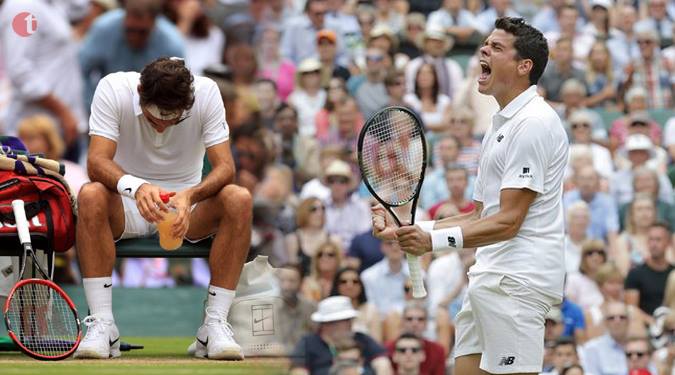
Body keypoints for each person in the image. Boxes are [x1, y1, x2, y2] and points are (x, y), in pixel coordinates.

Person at [373, 17, 569, 374]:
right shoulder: (500, 123)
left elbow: (509, 222)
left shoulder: (534, 123)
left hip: (518, 284)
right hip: (489, 278)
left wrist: (431, 242)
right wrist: (410, 226)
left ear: (524, 66)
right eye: (486, 44)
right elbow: (479, 215)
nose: (484, 50)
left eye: (496, 47)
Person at [74, 57, 252, 360]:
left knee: (239, 198)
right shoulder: (113, 88)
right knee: (90, 195)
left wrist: (190, 196)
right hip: (127, 205)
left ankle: (214, 326)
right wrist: (137, 187)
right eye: (155, 120)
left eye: (173, 120)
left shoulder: (207, 92)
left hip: (184, 210)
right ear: (141, 91)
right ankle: (103, 325)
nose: (163, 127)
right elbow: (96, 162)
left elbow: (226, 168)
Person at [79, 0, 184, 110]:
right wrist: (94, 105)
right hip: (110, 104)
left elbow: (178, 89)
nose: (134, 37)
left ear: (154, 22)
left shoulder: (171, 43)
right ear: (124, 18)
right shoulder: (103, 30)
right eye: (130, 30)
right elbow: (81, 70)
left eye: (142, 32)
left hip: (153, 110)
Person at [289, 296, 393, 375]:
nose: (350, 324)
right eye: (346, 320)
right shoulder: (308, 343)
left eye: (350, 320)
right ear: (328, 324)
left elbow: (382, 363)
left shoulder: (362, 339)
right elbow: (298, 370)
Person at [625, 223, 675, 316]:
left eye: (658, 239)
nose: (654, 244)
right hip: (644, 327)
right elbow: (631, 309)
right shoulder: (635, 273)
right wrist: (654, 323)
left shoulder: (673, 273)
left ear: (668, 242)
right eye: (651, 239)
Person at [384, 302, 447, 375]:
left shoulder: (438, 350)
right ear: (402, 322)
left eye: (420, 319)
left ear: (426, 324)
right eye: (409, 319)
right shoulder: (387, 348)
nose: (415, 323)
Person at [580, 301, 630, 375]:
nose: (617, 321)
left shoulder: (639, 347)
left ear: (628, 321)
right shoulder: (592, 348)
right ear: (605, 322)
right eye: (611, 318)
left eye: (622, 317)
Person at [277, 264, 317, 354]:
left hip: (306, 357)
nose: (286, 286)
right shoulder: (268, 309)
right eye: (282, 280)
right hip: (278, 359)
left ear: (301, 283)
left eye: (292, 281)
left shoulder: (311, 308)